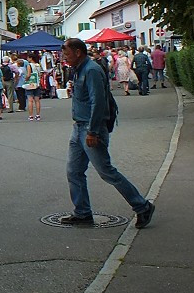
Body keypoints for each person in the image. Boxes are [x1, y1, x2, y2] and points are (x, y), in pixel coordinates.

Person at [60, 39, 155, 228]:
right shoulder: (80, 69)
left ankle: (142, 206)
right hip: (79, 126)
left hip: (90, 128)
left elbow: (98, 102)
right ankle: (82, 213)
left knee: (107, 172)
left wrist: (93, 131)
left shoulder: (91, 70)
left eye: (67, 54)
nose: (65, 58)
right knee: (74, 171)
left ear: (78, 52)